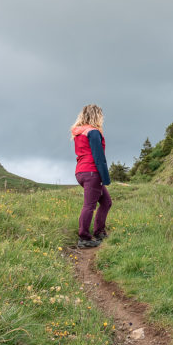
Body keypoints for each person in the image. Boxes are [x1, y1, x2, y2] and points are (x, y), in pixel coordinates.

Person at [70, 104, 112, 248]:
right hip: (92, 172)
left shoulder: (79, 133)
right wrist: (105, 178)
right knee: (89, 205)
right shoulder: (93, 132)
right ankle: (84, 238)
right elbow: (98, 156)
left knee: (106, 202)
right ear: (97, 116)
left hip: (81, 171)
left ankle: (99, 231)